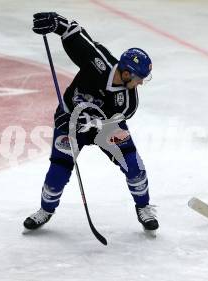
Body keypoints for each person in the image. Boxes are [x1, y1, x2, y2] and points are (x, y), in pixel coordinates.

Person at [23, 12, 158, 234]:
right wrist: (56, 22)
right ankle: (45, 210)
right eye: (139, 77)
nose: (141, 83)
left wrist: (81, 120)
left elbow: (107, 124)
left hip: (105, 128)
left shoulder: (128, 102)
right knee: (57, 172)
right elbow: (73, 32)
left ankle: (143, 207)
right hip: (70, 120)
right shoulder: (98, 62)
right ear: (126, 73)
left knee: (134, 166)